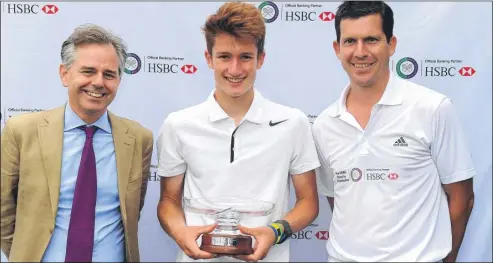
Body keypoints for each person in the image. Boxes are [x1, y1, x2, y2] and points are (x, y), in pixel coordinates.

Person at [156, 2, 320, 262]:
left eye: (245, 57)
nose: (234, 70)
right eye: (224, 57)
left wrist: (274, 231)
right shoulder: (178, 125)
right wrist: (180, 232)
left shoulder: (293, 123)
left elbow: (308, 202)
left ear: (260, 59)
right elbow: (168, 201)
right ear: (209, 58)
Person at [312, 1, 475, 262]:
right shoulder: (324, 124)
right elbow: (338, 201)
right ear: (337, 48)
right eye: (350, 41)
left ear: (392, 45)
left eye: (372, 40)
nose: (360, 52)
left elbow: (462, 198)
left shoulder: (432, 108)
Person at [1, 24, 153, 262]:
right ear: (65, 74)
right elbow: (3, 210)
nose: (99, 82)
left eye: (109, 74)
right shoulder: (22, 131)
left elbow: (133, 210)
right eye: (88, 71)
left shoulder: (138, 139)